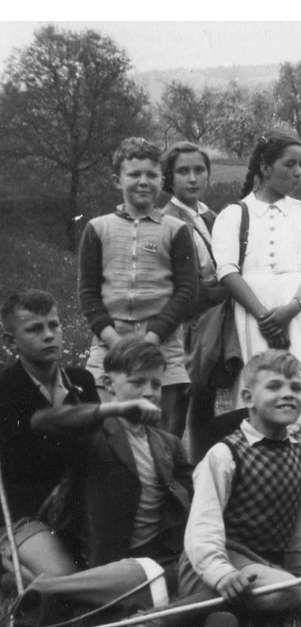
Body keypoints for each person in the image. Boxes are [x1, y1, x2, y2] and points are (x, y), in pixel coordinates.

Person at [179, 350, 301, 623]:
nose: (288, 394)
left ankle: (224, 619)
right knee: (287, 591)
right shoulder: (224, 454)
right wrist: (221, 573)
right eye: (274, 386)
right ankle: (176, 617)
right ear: (247, 398)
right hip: (220, 564)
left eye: (295, 387)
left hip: (270, 567)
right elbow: (202, 528)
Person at [31, 337, 193, 579]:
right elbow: (42, 422)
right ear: (108, 383)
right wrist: (115, 409)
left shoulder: (169, 443)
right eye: (137, 383)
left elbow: (192, 493)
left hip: (159, 555)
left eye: (156, 385)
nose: (148, 393)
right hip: (111, 561)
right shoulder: (93, 434)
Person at [78, 137, 198, 436]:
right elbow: (88, 293)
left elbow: (186, 291)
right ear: (118, 180)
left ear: (161, 179)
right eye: (134, 175)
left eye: (152, 175)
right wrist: (114, 340)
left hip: (162, 342)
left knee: (159, 433)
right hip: (110, 342)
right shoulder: (97, 228)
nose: (143, 182)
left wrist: (153, 337)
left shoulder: (177, 229)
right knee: (107, 434)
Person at [212, 131, 301, 417]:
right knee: (259, 384)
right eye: (290, 164)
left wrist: (291, 309)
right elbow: (227, 271)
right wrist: (263, 315)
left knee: (300, 382)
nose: (299, 172)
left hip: (296, 311)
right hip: (252, 312)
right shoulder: (233, 215)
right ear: (265, 168)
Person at [0, 291, 100, 583]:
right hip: (25, 514)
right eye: (34, 329)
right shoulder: (4, 391)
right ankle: (11, 564)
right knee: (67, 579)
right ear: (10, 341)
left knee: (107, 567)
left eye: (54, 325)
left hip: (79, 507)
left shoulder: (81, 382)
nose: (49, 336)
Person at [160, 141, 227, 458]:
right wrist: (221, 289)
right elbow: (181, 282)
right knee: (177, 401)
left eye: (199, 170)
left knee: (203, 399)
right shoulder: (167, 220)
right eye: (182, 171)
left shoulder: (213, 217)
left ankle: (200, 467)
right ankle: (167, 469)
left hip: (211, 321)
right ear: (169, 178)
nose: (192, 178)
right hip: (186, 321)